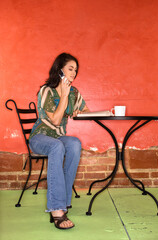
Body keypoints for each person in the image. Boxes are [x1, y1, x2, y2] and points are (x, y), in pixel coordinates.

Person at [29, 53, 89, 230]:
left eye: (75, 70)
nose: (73, 73)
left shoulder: (74, 92)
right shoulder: (46, 90)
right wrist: (63, 94)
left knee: (74, 143)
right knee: (57, 146)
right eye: (70, 68)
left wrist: (80, 112)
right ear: (60, 69)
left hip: (57, 137)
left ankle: (64, 202)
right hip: (40, 137)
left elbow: (87, 110)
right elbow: (55, 120)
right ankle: (56, 209)